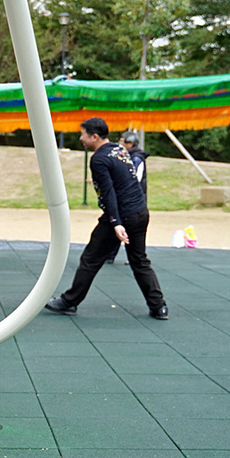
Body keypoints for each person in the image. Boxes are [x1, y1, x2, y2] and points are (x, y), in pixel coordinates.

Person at [45, 117, 168, 319]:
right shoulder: (118, 149)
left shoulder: (99, 159)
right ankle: (159, 306)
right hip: (140, 212)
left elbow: (108, 193)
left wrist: (115, 222)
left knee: (91, 258)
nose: (80, 138)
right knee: (139, 260)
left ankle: (69, 301)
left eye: (83, 134)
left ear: (94, 136)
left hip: (123, 214)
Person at [106, 129, 148, 264]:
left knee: (127, 227)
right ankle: (111, 255)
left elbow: (134, 178)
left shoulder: (136, 158)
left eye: (121, 141)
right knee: (121, 226)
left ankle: (131, 256)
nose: (119, 144)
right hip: (130, 199)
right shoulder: (127, 156)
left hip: (133, 200)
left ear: (130, 143)